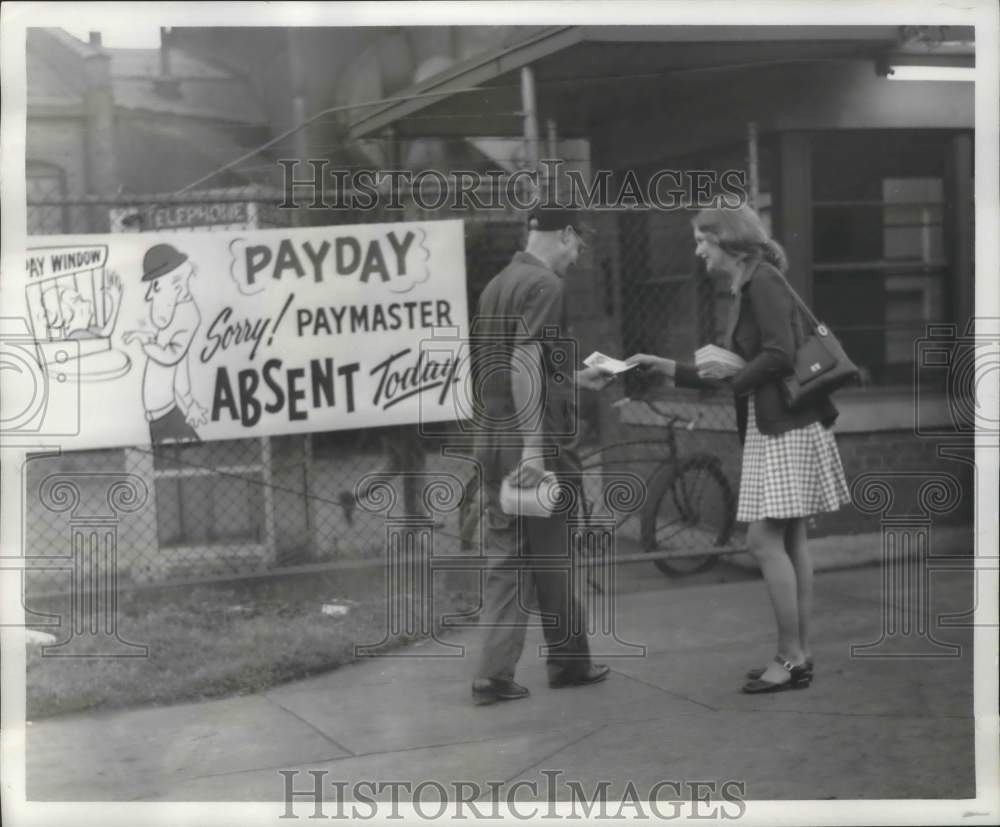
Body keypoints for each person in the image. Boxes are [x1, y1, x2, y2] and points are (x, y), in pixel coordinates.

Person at [627, 203, 850, 694]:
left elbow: (778, 354)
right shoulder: (747, 284)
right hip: (783, 424)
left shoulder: (762, 281)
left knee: (762, 542)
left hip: (783, 427)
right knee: (791, 541)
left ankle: (790, 657)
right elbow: (732, 368)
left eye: (702, 241)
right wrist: (661, 364)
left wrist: (736, 385)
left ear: (727, 240)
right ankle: (800, 655)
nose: (697, 250)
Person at [470, 208, 615, 706]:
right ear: (566, 235)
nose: (576, 258)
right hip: (533, 443)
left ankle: (501, 672)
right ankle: (568, 663)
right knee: (552, 554)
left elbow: (511, 365)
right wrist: (534, 449)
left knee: (506, 556)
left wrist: (574, 379)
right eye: (577, 247)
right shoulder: (546, 286)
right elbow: (525, 359)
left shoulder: (497, 285)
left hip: (492, 437)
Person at [123, 243, 209, 444]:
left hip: (166, 416)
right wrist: (189, 403)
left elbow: (172, 357)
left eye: (155, 287)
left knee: (185, 457)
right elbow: (180, 369)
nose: (149, 296)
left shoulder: (186, 315)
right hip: (162, 415)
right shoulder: (172, 317)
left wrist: (145, 342)